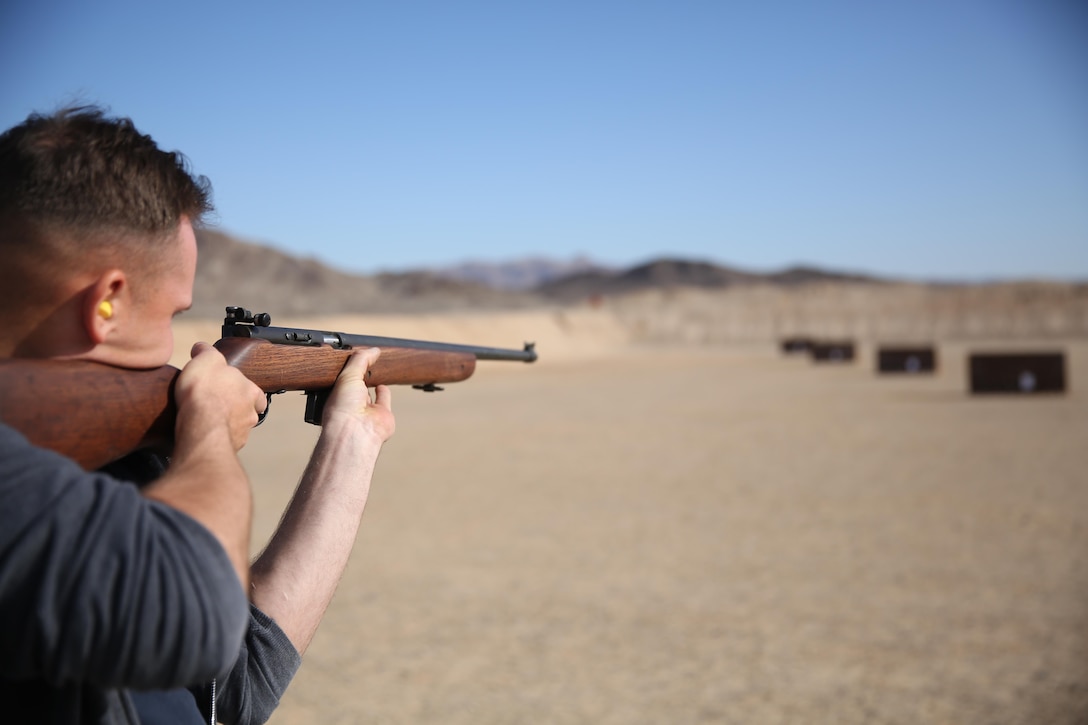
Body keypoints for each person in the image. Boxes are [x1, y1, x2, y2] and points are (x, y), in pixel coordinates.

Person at [0, 105, 396, 723]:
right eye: (173, 314)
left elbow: (232, 695)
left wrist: (351, 443)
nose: (178, 348)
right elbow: (198, 616)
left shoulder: (110, 464)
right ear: (107, 302)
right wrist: (207, 429)